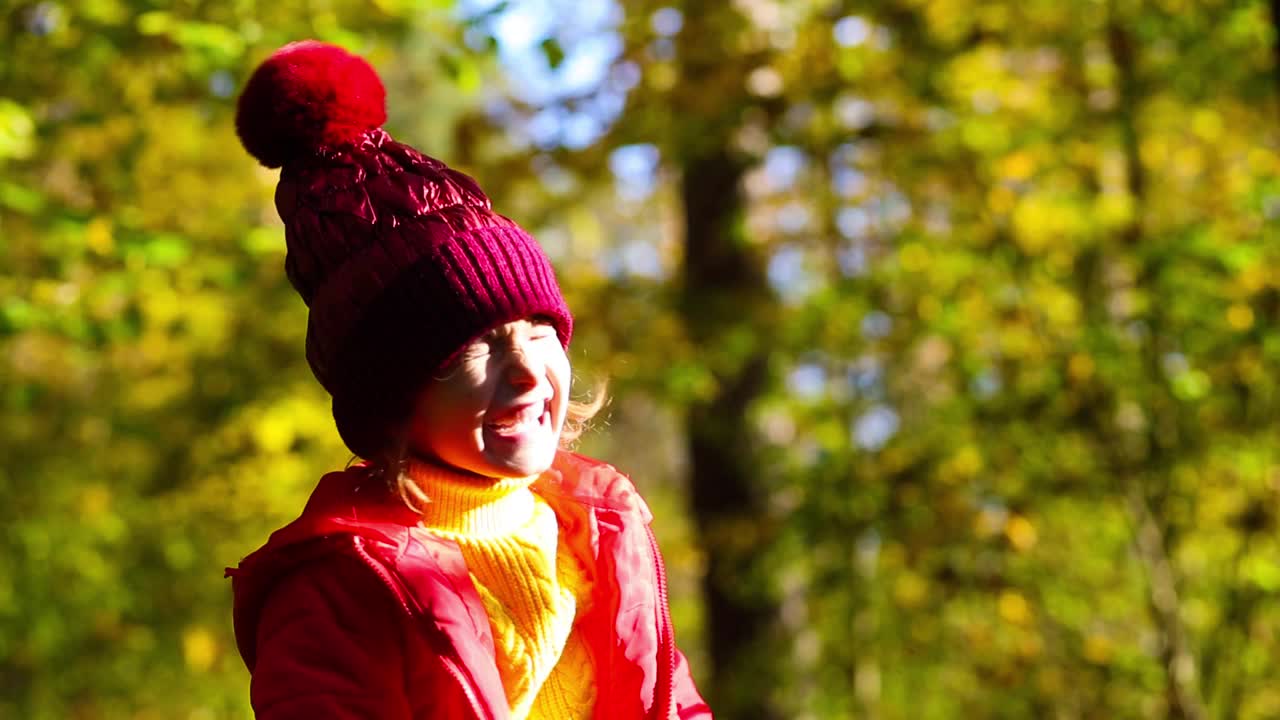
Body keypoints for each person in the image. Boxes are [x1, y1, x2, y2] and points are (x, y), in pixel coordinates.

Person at [225, 40, 712, 720]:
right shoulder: (339, 587)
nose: (525, 370)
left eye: (539, 333)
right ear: (394, 399)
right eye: (473, 349)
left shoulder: (600, 526)